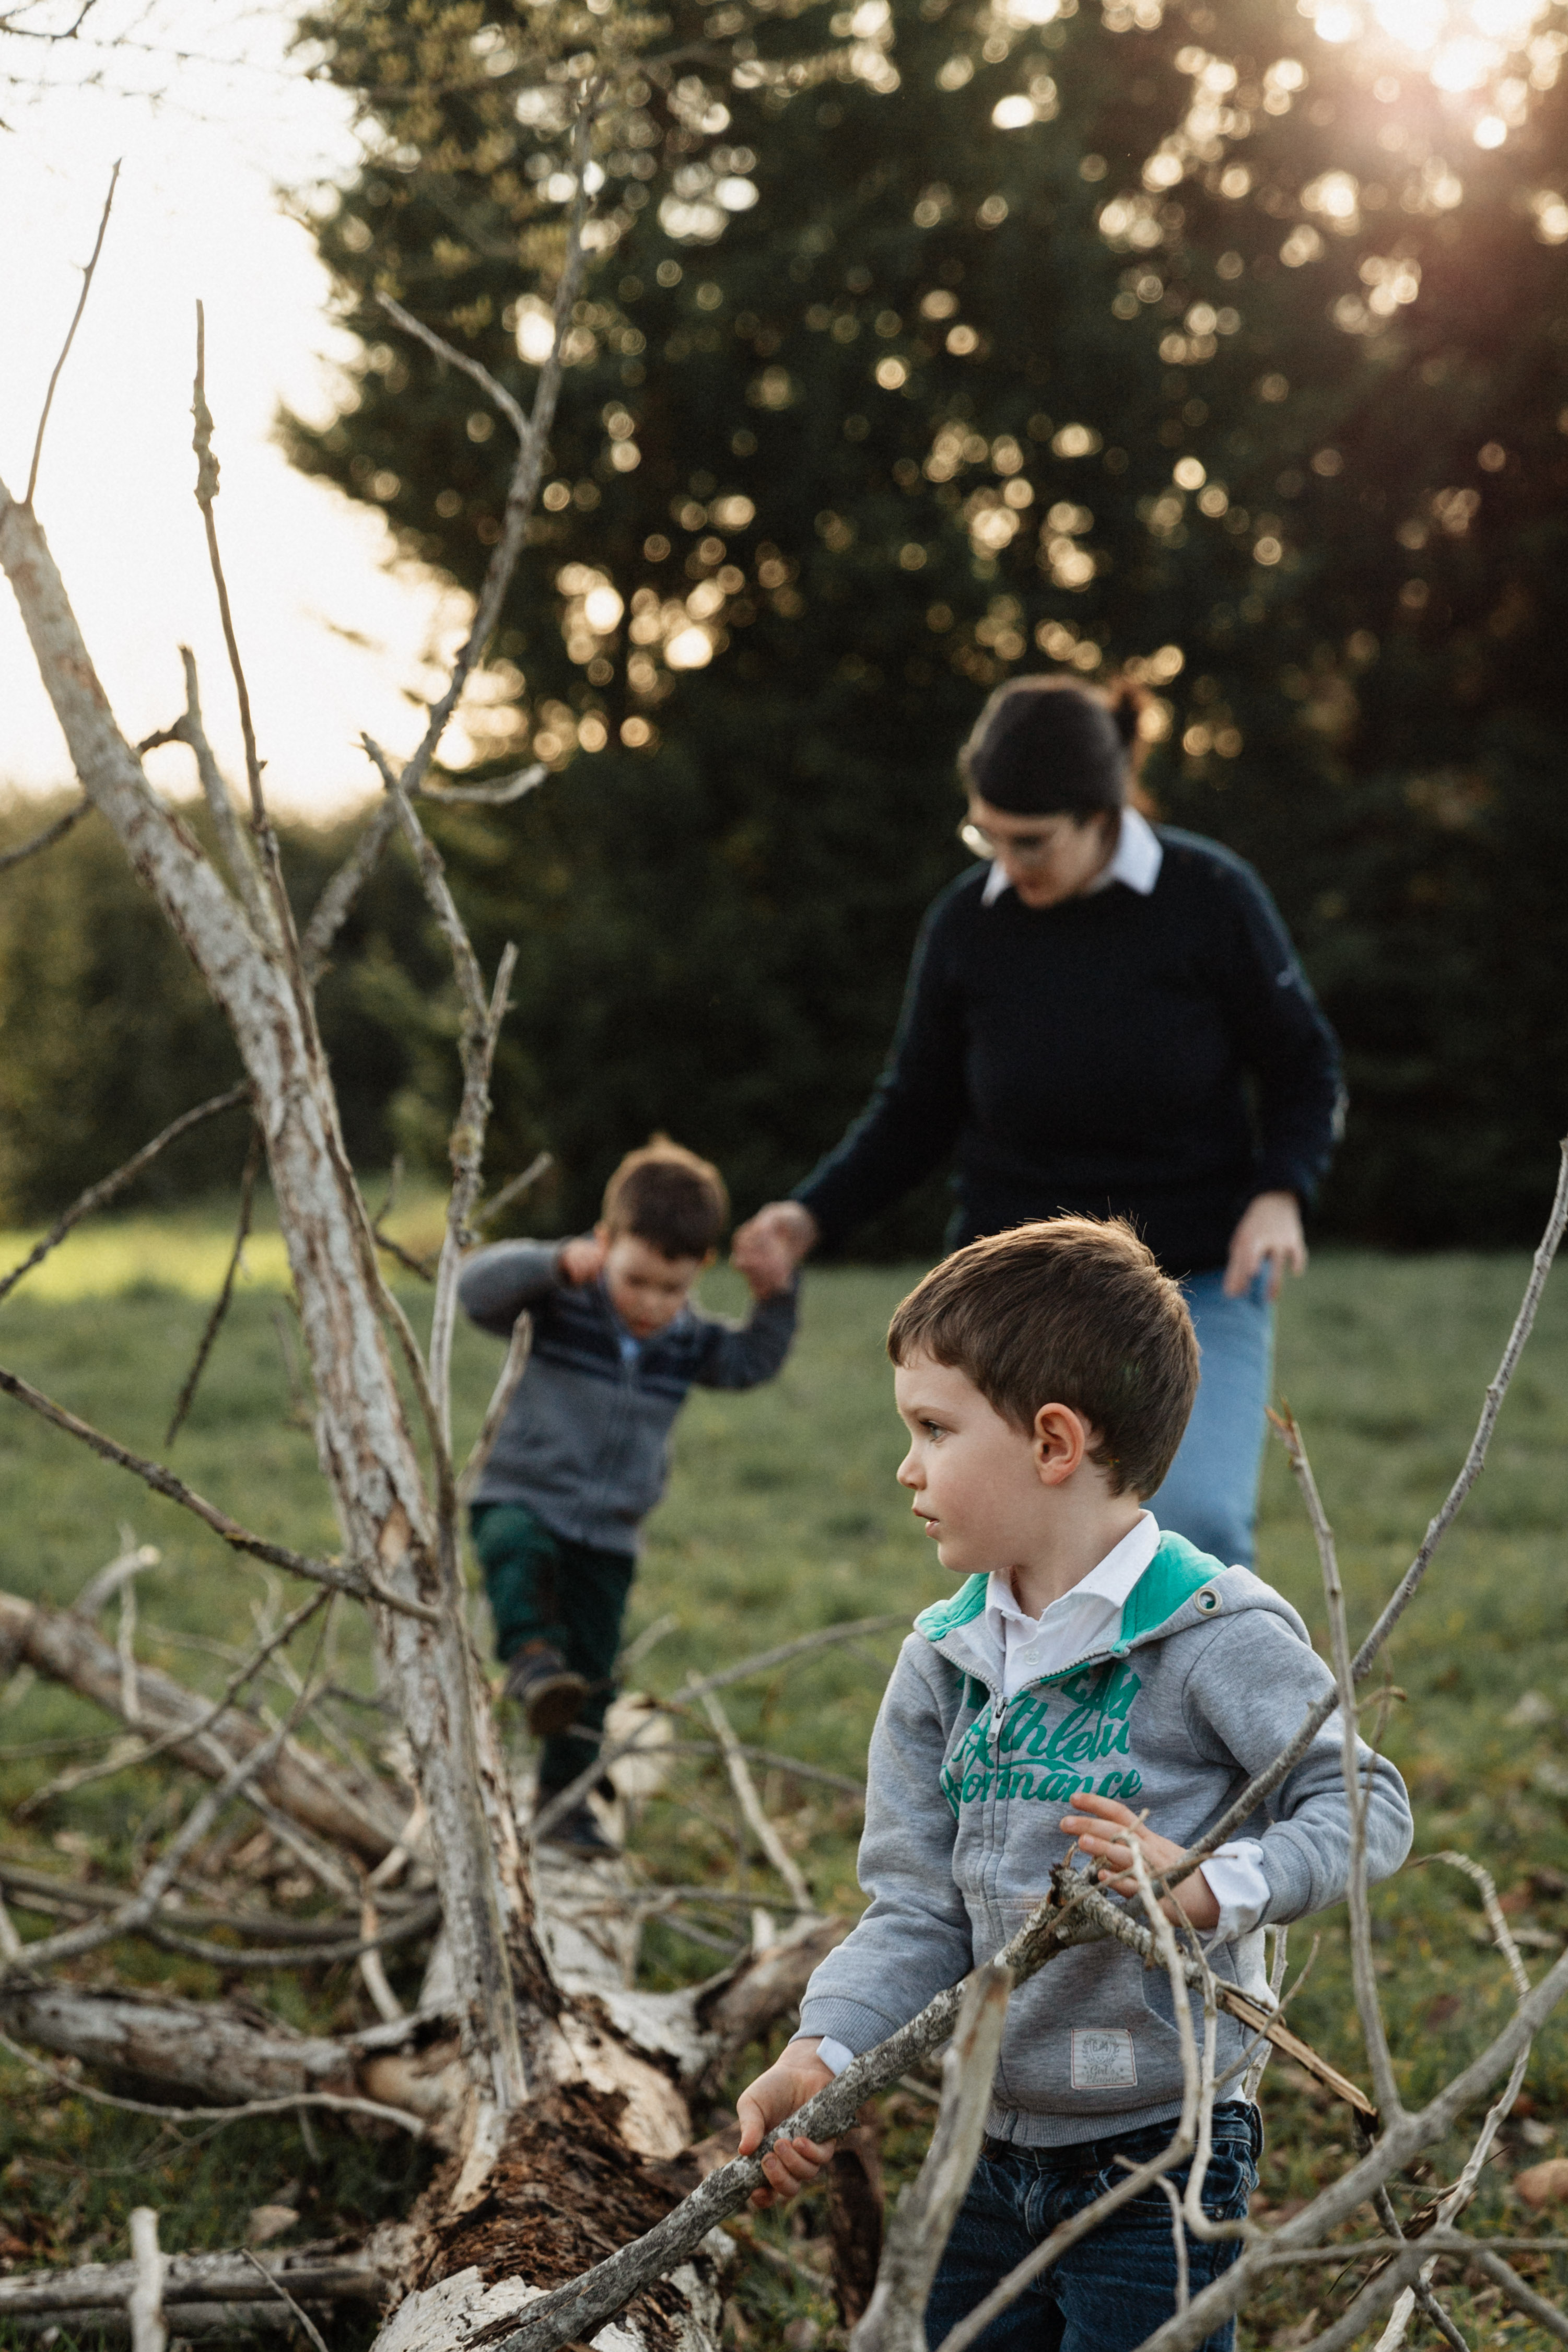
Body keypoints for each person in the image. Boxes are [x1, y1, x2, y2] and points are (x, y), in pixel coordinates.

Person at [735, 1218, 1412, 2352]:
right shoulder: (942, 1665)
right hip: (982, 2144)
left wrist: (1204, 1885)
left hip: (1162, 2149)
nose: (905, 1465)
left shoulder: (1212, 1633)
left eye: (932, 1428)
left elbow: (1364, 1805)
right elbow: (914, 1908)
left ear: (1053, 1440)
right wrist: (825, 2050)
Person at [732, 673, 1343, 1570]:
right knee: (1008, 1539)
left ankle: (1210, 1710)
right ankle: (1021, 1710)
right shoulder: (964, 927)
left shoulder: (1209, 896)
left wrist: (1280, 1193)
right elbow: (916, 1108)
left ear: (1100, 814)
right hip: (1014, 1290)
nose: (1005, 862)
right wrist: (808, 1215)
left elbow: (1305, 1065)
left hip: (1194, 1277)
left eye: (1029, 841)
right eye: (985, 833)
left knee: (1192, 1531)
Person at [458, 1137, 798, 1855]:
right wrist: (552, 1264)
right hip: (521, 1489)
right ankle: (528, 1659)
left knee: (595, 1674)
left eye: (670, 1289)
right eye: (635, 1279)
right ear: (603, 1243)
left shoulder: (686, 1341)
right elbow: (472, 1291)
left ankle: (563, 1802)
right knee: (514, 1553)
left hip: (610, 1531)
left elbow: (750, 1364)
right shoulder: (562, 1305)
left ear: (700, 1270)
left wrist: (775, 1295)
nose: (650, 1304)